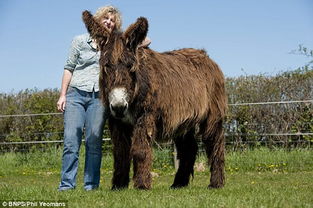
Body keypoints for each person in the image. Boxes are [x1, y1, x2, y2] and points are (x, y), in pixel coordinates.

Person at [57, 5, 150, 191]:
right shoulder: (79, 41)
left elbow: (146, 39)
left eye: (112, 20)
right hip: (76, 93)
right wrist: (63, 95)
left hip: (99, 98)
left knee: (94, 142)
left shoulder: (116, 43)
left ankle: (91, 186)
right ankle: (67, 185)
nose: (109, 22)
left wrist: (134, 42)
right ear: (99, 20)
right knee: (70, 141)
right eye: (106, 18)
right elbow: (69, 68)